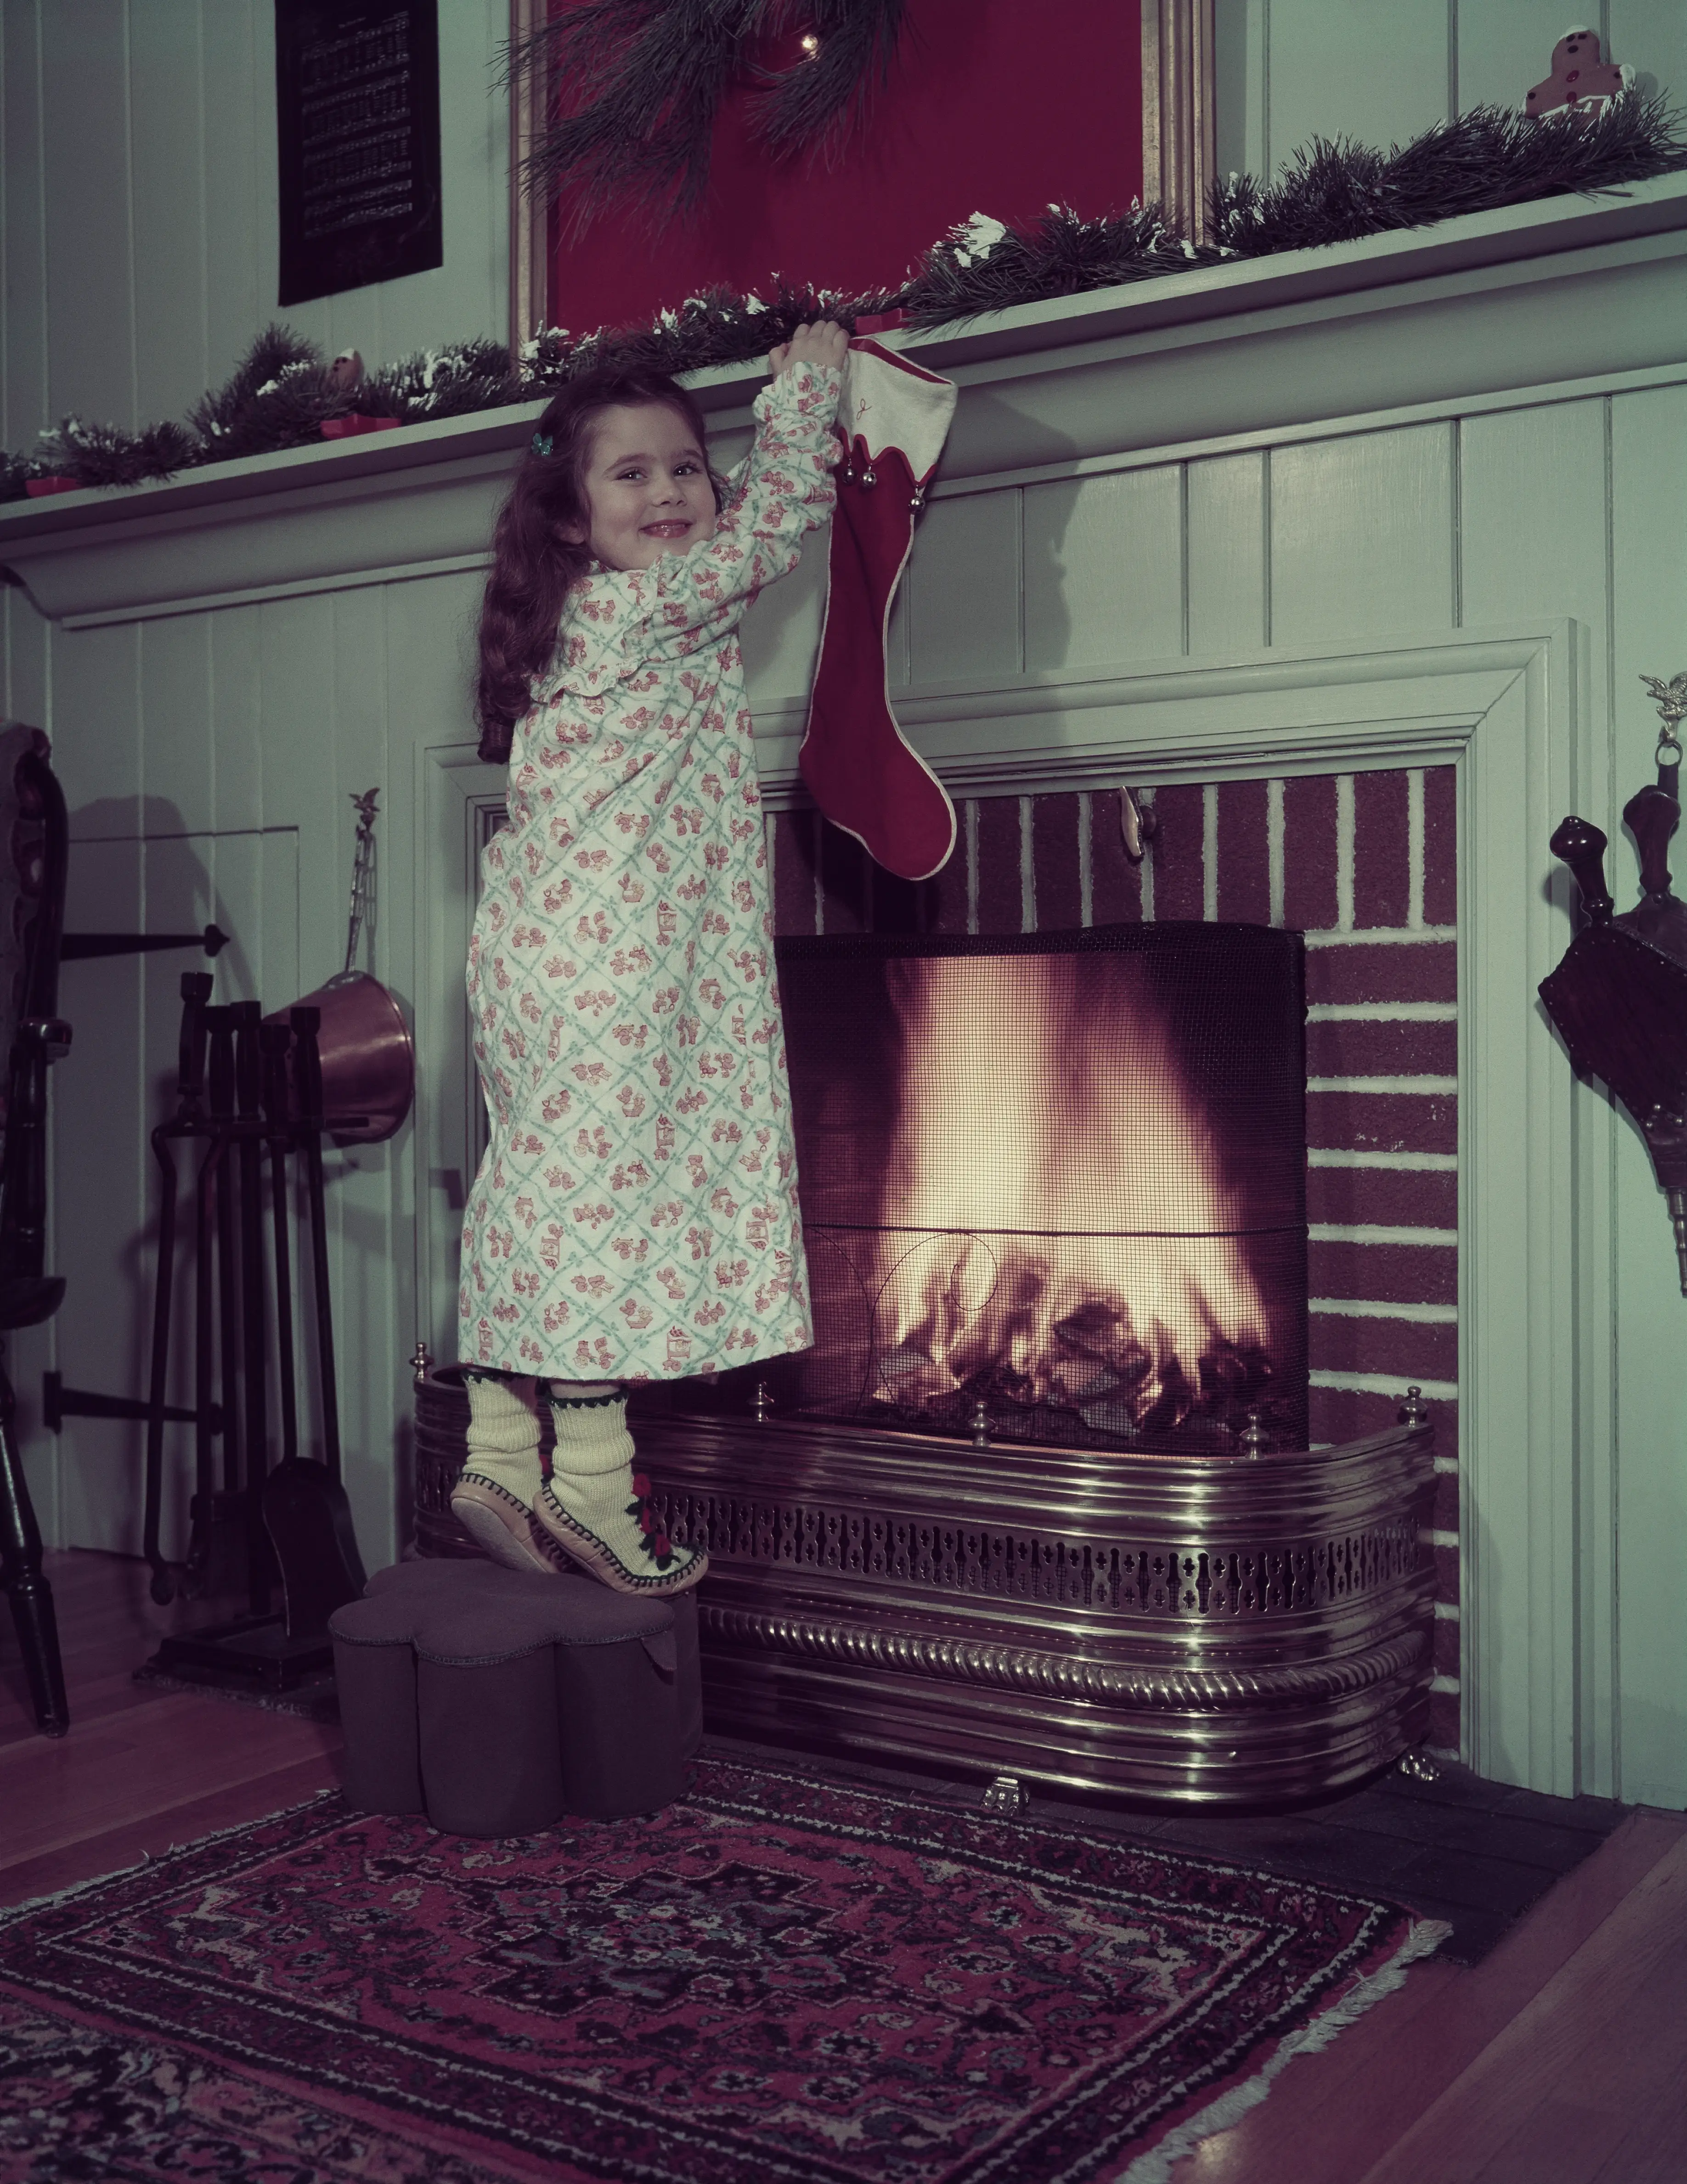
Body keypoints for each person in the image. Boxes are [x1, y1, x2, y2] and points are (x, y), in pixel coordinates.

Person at [451, 321, 849, 1596]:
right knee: (609, 1211)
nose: (674, 491)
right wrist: (806, 391)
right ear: (570, 517)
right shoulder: (645, 611)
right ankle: (592, 1485)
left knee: (546, 1187)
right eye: (634, 474)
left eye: (689, 467)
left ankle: (503, 1446)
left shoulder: (569, 626)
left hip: (533, 961)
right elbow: (775, 523)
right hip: (612, 968)